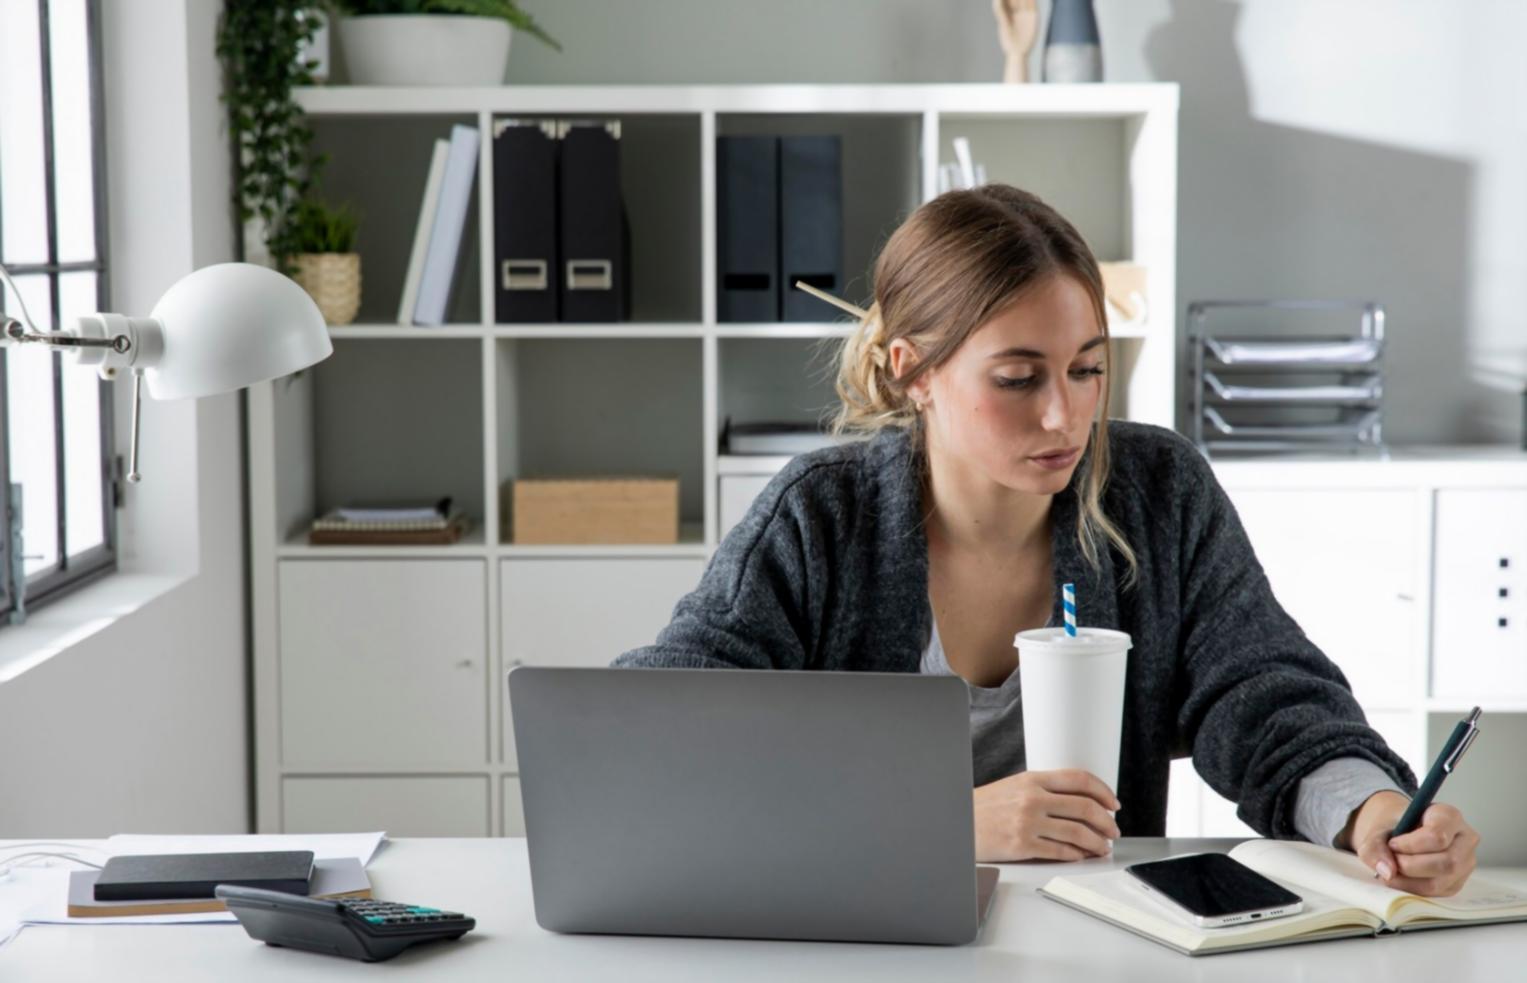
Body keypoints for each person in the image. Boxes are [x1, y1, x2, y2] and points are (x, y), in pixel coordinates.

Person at [613, 184, 1480, 897]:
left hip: (1094, 936)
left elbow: (1263, 695)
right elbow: (663, 735)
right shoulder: (820, 517)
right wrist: (941, 822)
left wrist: (1369, 811)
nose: (1064, 415)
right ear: (912, 372)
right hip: (869, 942)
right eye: (1017, 378)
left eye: (1087, 368)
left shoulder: (1157, 492)